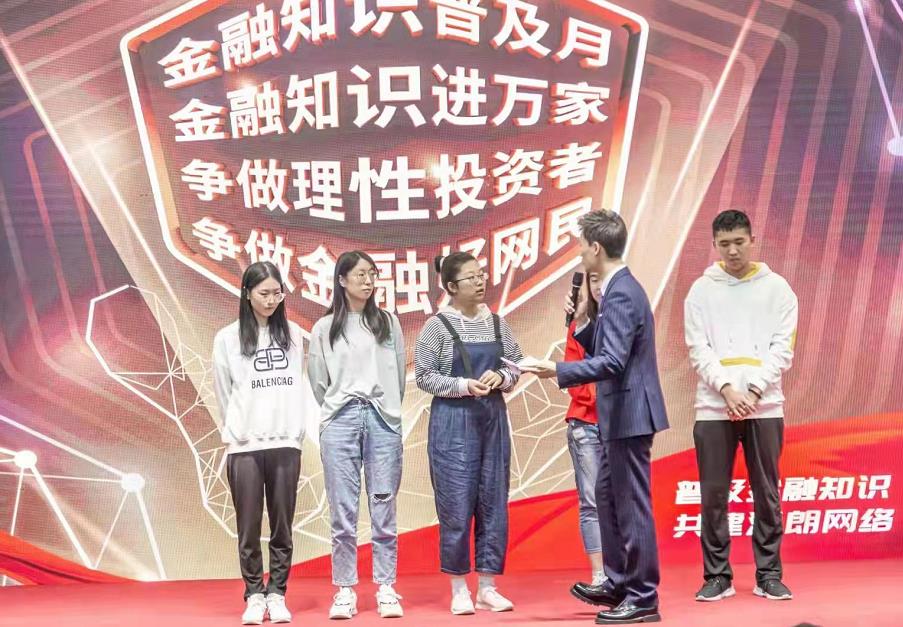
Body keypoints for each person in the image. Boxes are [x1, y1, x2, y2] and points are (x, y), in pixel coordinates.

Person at [524, 210, 669, 625]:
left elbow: (613, 361)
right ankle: (618, 582)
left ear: (596, 248)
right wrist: (584, 319)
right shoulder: (613, 290)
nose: (579, 253)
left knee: (631, 505)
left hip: (630, 412)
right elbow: (608, 347)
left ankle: (643, 596)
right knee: (607, 499)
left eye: (581, 246)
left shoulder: (622, 292)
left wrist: (557, 369)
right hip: (618, 413)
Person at [684, 209, 797, 602]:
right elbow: (698, 348)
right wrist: (727, 389)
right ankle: (718, 576)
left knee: (766, 493)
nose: (732, 251)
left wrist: (754, 392)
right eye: (724, 244)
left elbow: (783, 348)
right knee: (714, 496)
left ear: (752, 240)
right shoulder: (701, 290)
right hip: (714, 407)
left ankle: (769, 574)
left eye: (739, 242)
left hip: (765, 407)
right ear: (714, 245)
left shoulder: (778, 289)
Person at [414, 252, 524, 616]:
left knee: (493, 501)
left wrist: (502, 377)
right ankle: (459, 587)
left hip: (492, 420)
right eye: (471, 278)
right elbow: (423, 376)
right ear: (451, 286)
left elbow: (516, 364)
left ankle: (488, 587)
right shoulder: (437, 326)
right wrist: (462, 385)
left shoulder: (497, 323)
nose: (480, 282)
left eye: (482, 275)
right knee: (456, 504)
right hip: (453, 423)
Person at [307, 251, 407, 620]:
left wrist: (387, 406)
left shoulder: (387, 322)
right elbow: (318, 381)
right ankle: (345, 590)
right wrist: (339, 406)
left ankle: (386, 587)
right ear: (342, 280)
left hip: (382, 418)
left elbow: (398, 375)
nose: (368, 281)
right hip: (341, 419)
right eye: (360, 274)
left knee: (383, 504)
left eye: (372, 274)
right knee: (343, 509)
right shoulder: (324, 328)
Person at [213, 261, 307, 625]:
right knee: (249, 527)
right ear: (247, 294)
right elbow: (223, 393)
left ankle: (277, 594)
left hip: (285, 442)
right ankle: (254, 594)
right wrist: (239, 429)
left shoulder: (294, 335)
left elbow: (297, 385)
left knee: (282, 525)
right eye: (263, 293)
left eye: (277, 293)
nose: (271, 300)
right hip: (244, 446)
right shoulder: (227, 338)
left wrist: (294, 429)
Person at [563, 272, 606, 588]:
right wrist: (601, 398)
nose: (598, 286)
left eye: (603, 278)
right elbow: (572, 378)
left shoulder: (625, 321)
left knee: (623, 501)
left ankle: (625, 572)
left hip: (621, 426)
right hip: (586, 424)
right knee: (591, 502)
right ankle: (599, 574)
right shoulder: (578, 324)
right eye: (593, 280)